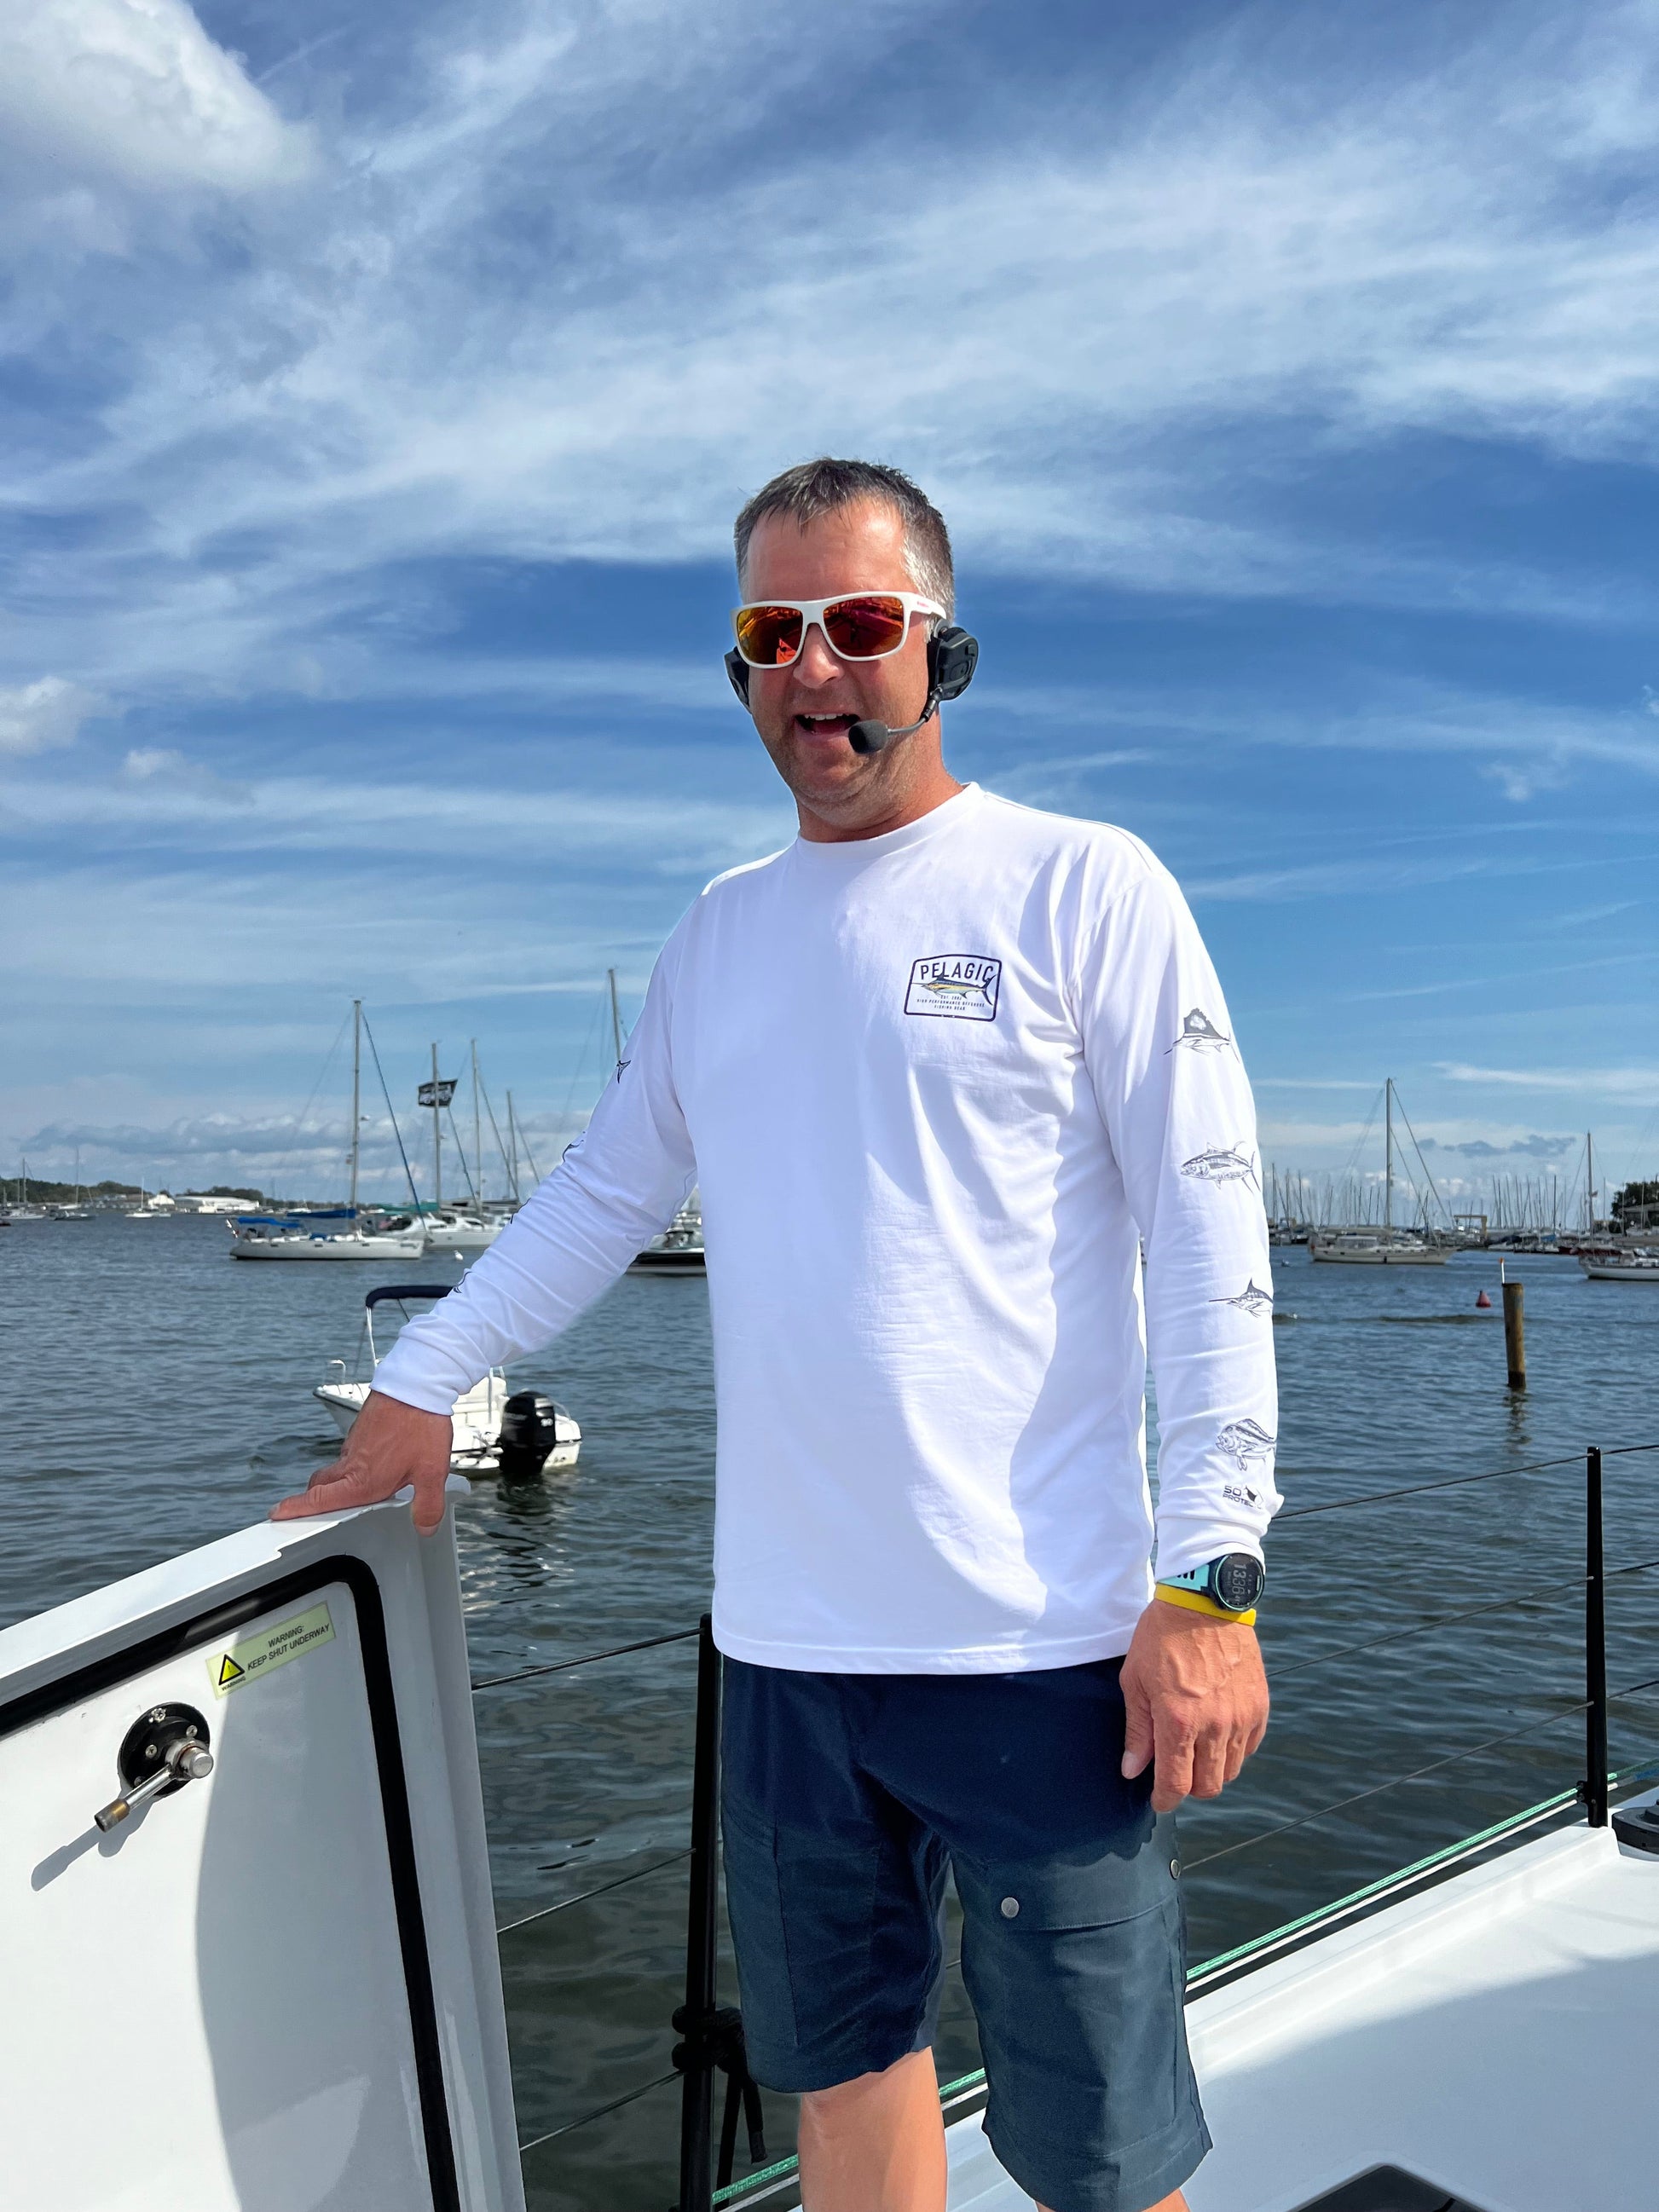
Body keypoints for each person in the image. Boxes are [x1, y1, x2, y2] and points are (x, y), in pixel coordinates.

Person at [274, 458, 1278, 2212]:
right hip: (788, 1654)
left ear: (938, 649)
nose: (816, 671)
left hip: (1046, 1646)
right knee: (846, 2087)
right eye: (772, 632)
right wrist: (421, 1379)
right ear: (739, 667)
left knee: (1104, 2157)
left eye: (860, 625)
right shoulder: (719, 935)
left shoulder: (1083, 885)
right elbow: (601, 1191)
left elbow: (1208, 1229)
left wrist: (1209, 1577)